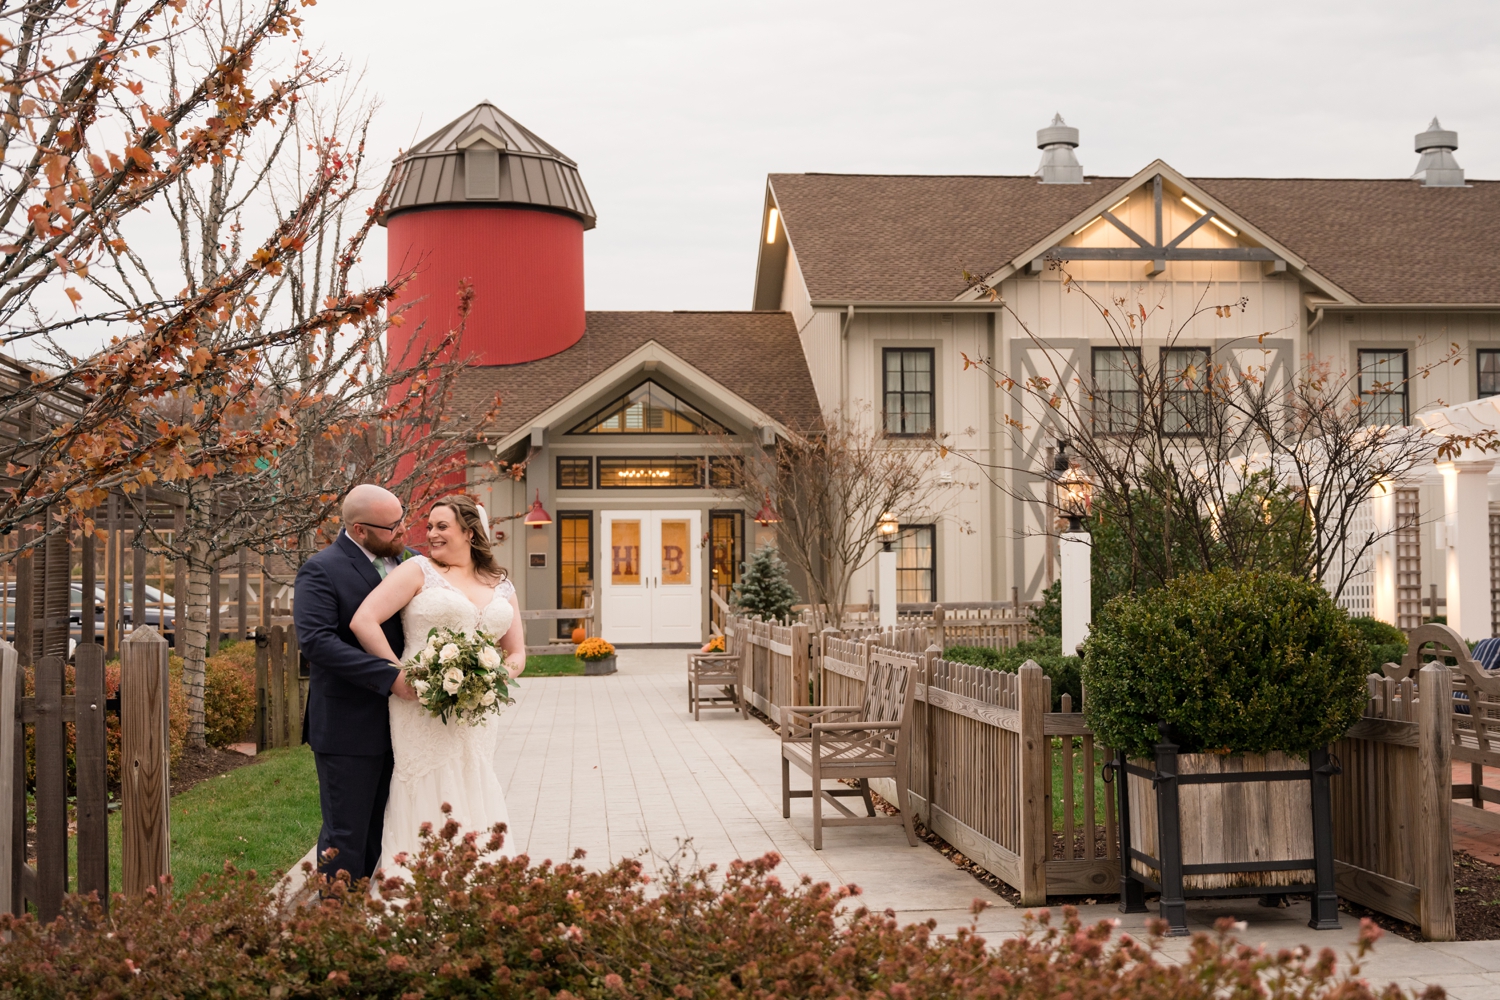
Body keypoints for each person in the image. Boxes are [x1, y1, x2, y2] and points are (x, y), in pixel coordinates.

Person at [350, 493, 525, 879]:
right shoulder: (417, 571)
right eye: (429, 526)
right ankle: (419, 889)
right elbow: (364, 620)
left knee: (474, 779)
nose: (430, 534)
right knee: (428, 785)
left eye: (441, 526)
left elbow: (517, 654)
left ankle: (477, 882)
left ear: (470, 532)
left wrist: (491, 679)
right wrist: (399, 674)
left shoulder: (501, 584)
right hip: (421, 705)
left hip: (476, 712)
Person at [294, 484, 419, 886]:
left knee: (385, 825)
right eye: (392, 526)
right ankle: (337, 921)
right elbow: (316, 641)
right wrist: (390, 676)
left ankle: (371, 910)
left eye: (403, 518)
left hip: (406, 724)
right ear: (359, 530)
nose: (403, 531)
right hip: (349, 725)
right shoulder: (322, 568)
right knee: (346, 833)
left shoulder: (412, 562)